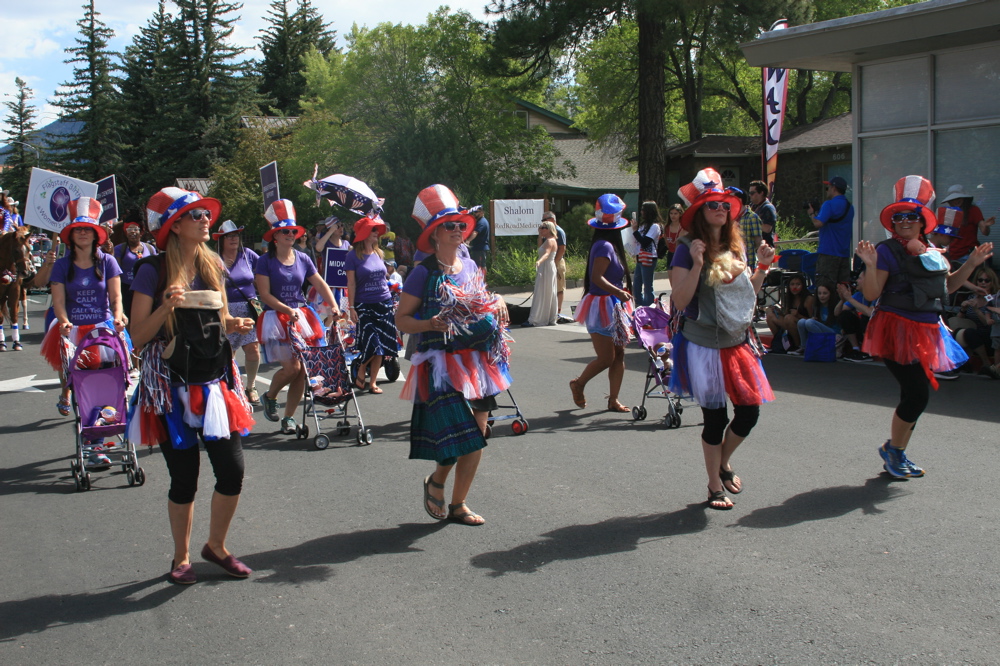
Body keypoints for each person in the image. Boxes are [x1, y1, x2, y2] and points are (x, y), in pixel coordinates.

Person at [129, 186, 256, 585]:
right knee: (184, 477)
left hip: (215, 381)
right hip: (169, 385)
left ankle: (215, 547)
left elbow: (213, 321)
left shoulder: (214, 263)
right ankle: (181, 557)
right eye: (196, 215)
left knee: (232, 471)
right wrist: (166, 305)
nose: (206, 220)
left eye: (206, 214)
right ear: (175, 225)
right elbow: (136, 336)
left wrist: (232, 324)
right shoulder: (152, 271)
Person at [856, 175, 992, 479]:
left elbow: (946, 287)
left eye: (911, 216)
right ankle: (894, 450)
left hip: (926, 331)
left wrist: (971, 263)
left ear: (922, 221)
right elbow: (871, 295)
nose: (904, 221)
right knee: (917, 394)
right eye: (898, 216)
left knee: (913, 395)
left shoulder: (931, 250)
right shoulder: (887, 250)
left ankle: (896, 451)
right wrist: (868, 263)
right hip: (894, 330)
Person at [397, 184, 511, 526]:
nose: (459, 230)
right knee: (461, 434)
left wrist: (499, 301)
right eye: (450, 226)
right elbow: (400, 320)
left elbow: (482, 297)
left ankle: (457, 502)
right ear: (434, 234)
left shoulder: (469, 263)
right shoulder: (423, 272)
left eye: (461, 225)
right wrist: (430, 323)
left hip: (479, 361)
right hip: (441, 364)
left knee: (476, 437)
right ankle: (437, 481)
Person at [668, 168, 776, 510]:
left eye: (724, 204)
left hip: (736, 342)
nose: (720, 209)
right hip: (703, 344)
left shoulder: (734, 245)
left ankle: (723, 461)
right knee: (714, 418)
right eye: (712, 204)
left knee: (748, 412)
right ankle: (714, 484)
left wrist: (761, 268)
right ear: (699, 211)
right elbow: (681, 301)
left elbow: (745, 298)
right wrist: (698, 264)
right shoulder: (686, 248)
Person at [255, 199, 339, 433]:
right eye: (285, 231)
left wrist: (333, 305)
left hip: (301, 316)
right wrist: (286, 310)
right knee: (291, 368)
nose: (291, 234)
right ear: (275, 236)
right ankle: (270, 396)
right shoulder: (265, 261)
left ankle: (288, 418)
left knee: (303, 371)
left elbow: (320, 283)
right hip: (278, 317)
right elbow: (264, 294)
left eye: (293, 231)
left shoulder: (303, 258)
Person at [40, 197, 127, 415]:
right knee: (78, 378)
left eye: (87, 229)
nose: (82, 233)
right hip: (74, 328)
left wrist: (118, 317)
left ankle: (101, 424)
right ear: (70, 235)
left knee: (107, 379)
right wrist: (64, 321)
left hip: (103, 328)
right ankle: (74, 402)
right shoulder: (61, 265)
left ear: (96, 234)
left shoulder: (108, 261)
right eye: (77, 229)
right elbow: (58, 301)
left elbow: (116, 298)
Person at [569, 193, 634, 413]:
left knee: (619, 354)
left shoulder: (608, 245)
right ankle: (578, 383)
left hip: (614, 304)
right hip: (601, 306)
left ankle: (613, 399)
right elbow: (597, 278)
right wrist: (620, 292)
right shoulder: (604, 246)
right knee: (607, 357)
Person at [346, 215, 398, 394]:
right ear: (365, 233)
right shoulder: (352, 256)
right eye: (373, 230)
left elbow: (384, 276)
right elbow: (351, 283)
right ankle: (361, 368)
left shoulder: (379, 253)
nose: (377, 233)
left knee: (381, 347)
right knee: (372, 343)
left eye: (377, 230)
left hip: (384, 303)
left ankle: (373, 382)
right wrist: (351, 307)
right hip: (364, 305)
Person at [214, 220, 263, 404]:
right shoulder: (214, 259)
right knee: (228, 351)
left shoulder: (248, 254)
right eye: (229, 236)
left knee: (253, 349)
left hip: (249, 308)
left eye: (236, 235)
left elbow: (264, 271)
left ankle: (251, 386)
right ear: (221, 240)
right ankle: (233, 385)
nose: (234, 239)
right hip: (225, 310)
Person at [955, 266, 1000, 378]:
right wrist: (963, 309)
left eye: (986, 280)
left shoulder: (992, 299)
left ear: (992, 282)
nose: (983, 283)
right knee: (958, 331)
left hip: (990, 334)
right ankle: (963, 363)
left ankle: (986, 363)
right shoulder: (971, 297)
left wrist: (976, 310)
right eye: (980, 280)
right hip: (975, 334)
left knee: (970, 333)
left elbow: (987, 323)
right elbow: (958, 320)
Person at [113, 221, 158, 333]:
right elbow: (116, 270)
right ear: (126, 234)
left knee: (147, 315)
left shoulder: (150, 248)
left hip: (146, 288)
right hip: (127, 288)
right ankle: (131, 342)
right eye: (129, 230)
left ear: (141, 233)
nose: (133, 232)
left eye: (136, 229)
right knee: (129, 317)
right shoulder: (120, 249)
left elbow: (156, 266)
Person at [808, 176, 854, 284]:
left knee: (825, 287)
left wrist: (811, 213)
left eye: (827, 188)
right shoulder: (850, 207)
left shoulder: (828, 204)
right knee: (843, 288)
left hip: (828, 252)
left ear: (834, 188)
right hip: (844, 253)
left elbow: (818, 223)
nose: (827, 190)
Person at [939, 184, 995, 265]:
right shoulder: (948, 213)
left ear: (964, 198)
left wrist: (986, 225)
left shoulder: (973, 210)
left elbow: (985, 232)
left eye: (958, 198)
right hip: (951, 256)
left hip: (968, 255)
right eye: (953, 199)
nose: (956, 201)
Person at [764, 273, 813, 354]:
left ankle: (798, 346)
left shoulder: (808, 299)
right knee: (770, 315)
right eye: (792, 284)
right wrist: (778, 311)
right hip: (790, 323)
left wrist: (798, 315)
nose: (795, 287)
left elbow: (813, 320)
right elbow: (786, 314)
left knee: (789, 318)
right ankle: (779, 343)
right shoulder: (789, 297)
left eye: (798, 284)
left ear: (803, 285)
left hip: (803, 325)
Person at [626, 201, 662, 307]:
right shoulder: (643, 225)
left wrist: (635, 231)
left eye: (643, 210)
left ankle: (649, 309)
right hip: (640, 257)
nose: (641, 212)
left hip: (649, 257)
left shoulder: (655, 226)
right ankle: (639, 307)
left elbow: (645, 242)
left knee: (647, 286)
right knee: (636, 285)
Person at [523, 220, 558, 327]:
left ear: (549, 229)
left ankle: (537, 319)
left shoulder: (550, 241)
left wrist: (539, 261)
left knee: (542, 291)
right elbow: (540, 248)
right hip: (546, 266)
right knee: (545, 291)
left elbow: (546, 254)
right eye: (540, 227)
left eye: (543, 228)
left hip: (546, 266)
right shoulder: (547, 240)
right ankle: (547, 317)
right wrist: (539, 236)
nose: (541, 229)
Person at [542, 211, 573, 324]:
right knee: (549, 287)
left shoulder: (559, 231)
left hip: (557, 262)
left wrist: (554, 262)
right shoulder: (546, 232)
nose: (543, 222)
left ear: (553, 220)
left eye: (545, 219)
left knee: (559, 288)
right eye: (542, 220)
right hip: (548, 262)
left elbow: (562, 248)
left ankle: (558, 311)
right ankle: (550, 311)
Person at [795, 278, 841, 353]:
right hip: (822, 329)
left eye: (825, 293)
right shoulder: (817, 306)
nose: (822, 296)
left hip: (834, 333)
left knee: (809, 322)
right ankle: (804, 347)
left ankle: (822, 346)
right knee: (801, 322)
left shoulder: (835, 305)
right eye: (819, 293)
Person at [836, 274, 874, 362]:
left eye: (859, 278)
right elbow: (838, 312)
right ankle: (856, 348)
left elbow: (870, 313)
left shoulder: (876, 295)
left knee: (865, 316)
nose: (856, 281)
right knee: (845, 315)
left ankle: (867, 351)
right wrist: (842, 299)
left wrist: (850, 299)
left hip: (877, 330)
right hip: (861, 330)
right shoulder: (858, 295)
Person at [732, 187, 763, 266]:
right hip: (734, 262)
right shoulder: (731, 217)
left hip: (748, 262)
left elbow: (758, 241)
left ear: (739, 200)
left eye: (731, 198)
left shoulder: (752, 217)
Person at [748, 180, 777, 246]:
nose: (750, 195)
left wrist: (749, 224)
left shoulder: (768, 207)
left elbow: (767, 229)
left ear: (761, 193)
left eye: (752, 193)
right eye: (749, 193)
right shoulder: (752, 206)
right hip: (752, 247)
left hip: (765, 247)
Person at [661, 203, 684, 273]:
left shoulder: (683, 227)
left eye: (675, 213)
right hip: (671, 254)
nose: (673, 216)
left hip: (681, 254)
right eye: (671, 213)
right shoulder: (667, 227)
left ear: (680, 214)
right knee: (672, 280)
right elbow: (667, 243)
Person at [467, 205, 490, 270]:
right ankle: (478, 279)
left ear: (482, 212)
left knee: (482, 266)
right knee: (477, 265)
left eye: (476, 212)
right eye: (474, 212)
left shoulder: (482, 222)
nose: (475, 214)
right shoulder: (480, 221)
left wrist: (468, 241)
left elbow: (475, 232)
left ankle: (483, 279)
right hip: (477, 247)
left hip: (481, 248)